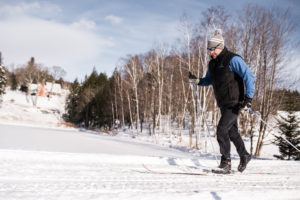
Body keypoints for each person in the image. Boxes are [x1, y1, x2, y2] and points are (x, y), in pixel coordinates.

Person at [189, 30, 256, 173]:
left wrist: (248, 99)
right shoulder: (212, 64)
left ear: (219, 47)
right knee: (232, 132)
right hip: (223, 103)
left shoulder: (233, 59)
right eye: (209, 50)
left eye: (212, 49)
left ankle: (226, 163)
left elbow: (249, 77)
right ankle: (244, 155)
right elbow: (209, 80)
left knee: (221, 129)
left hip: (235, 102)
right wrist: (197, 81)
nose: (210, 52)